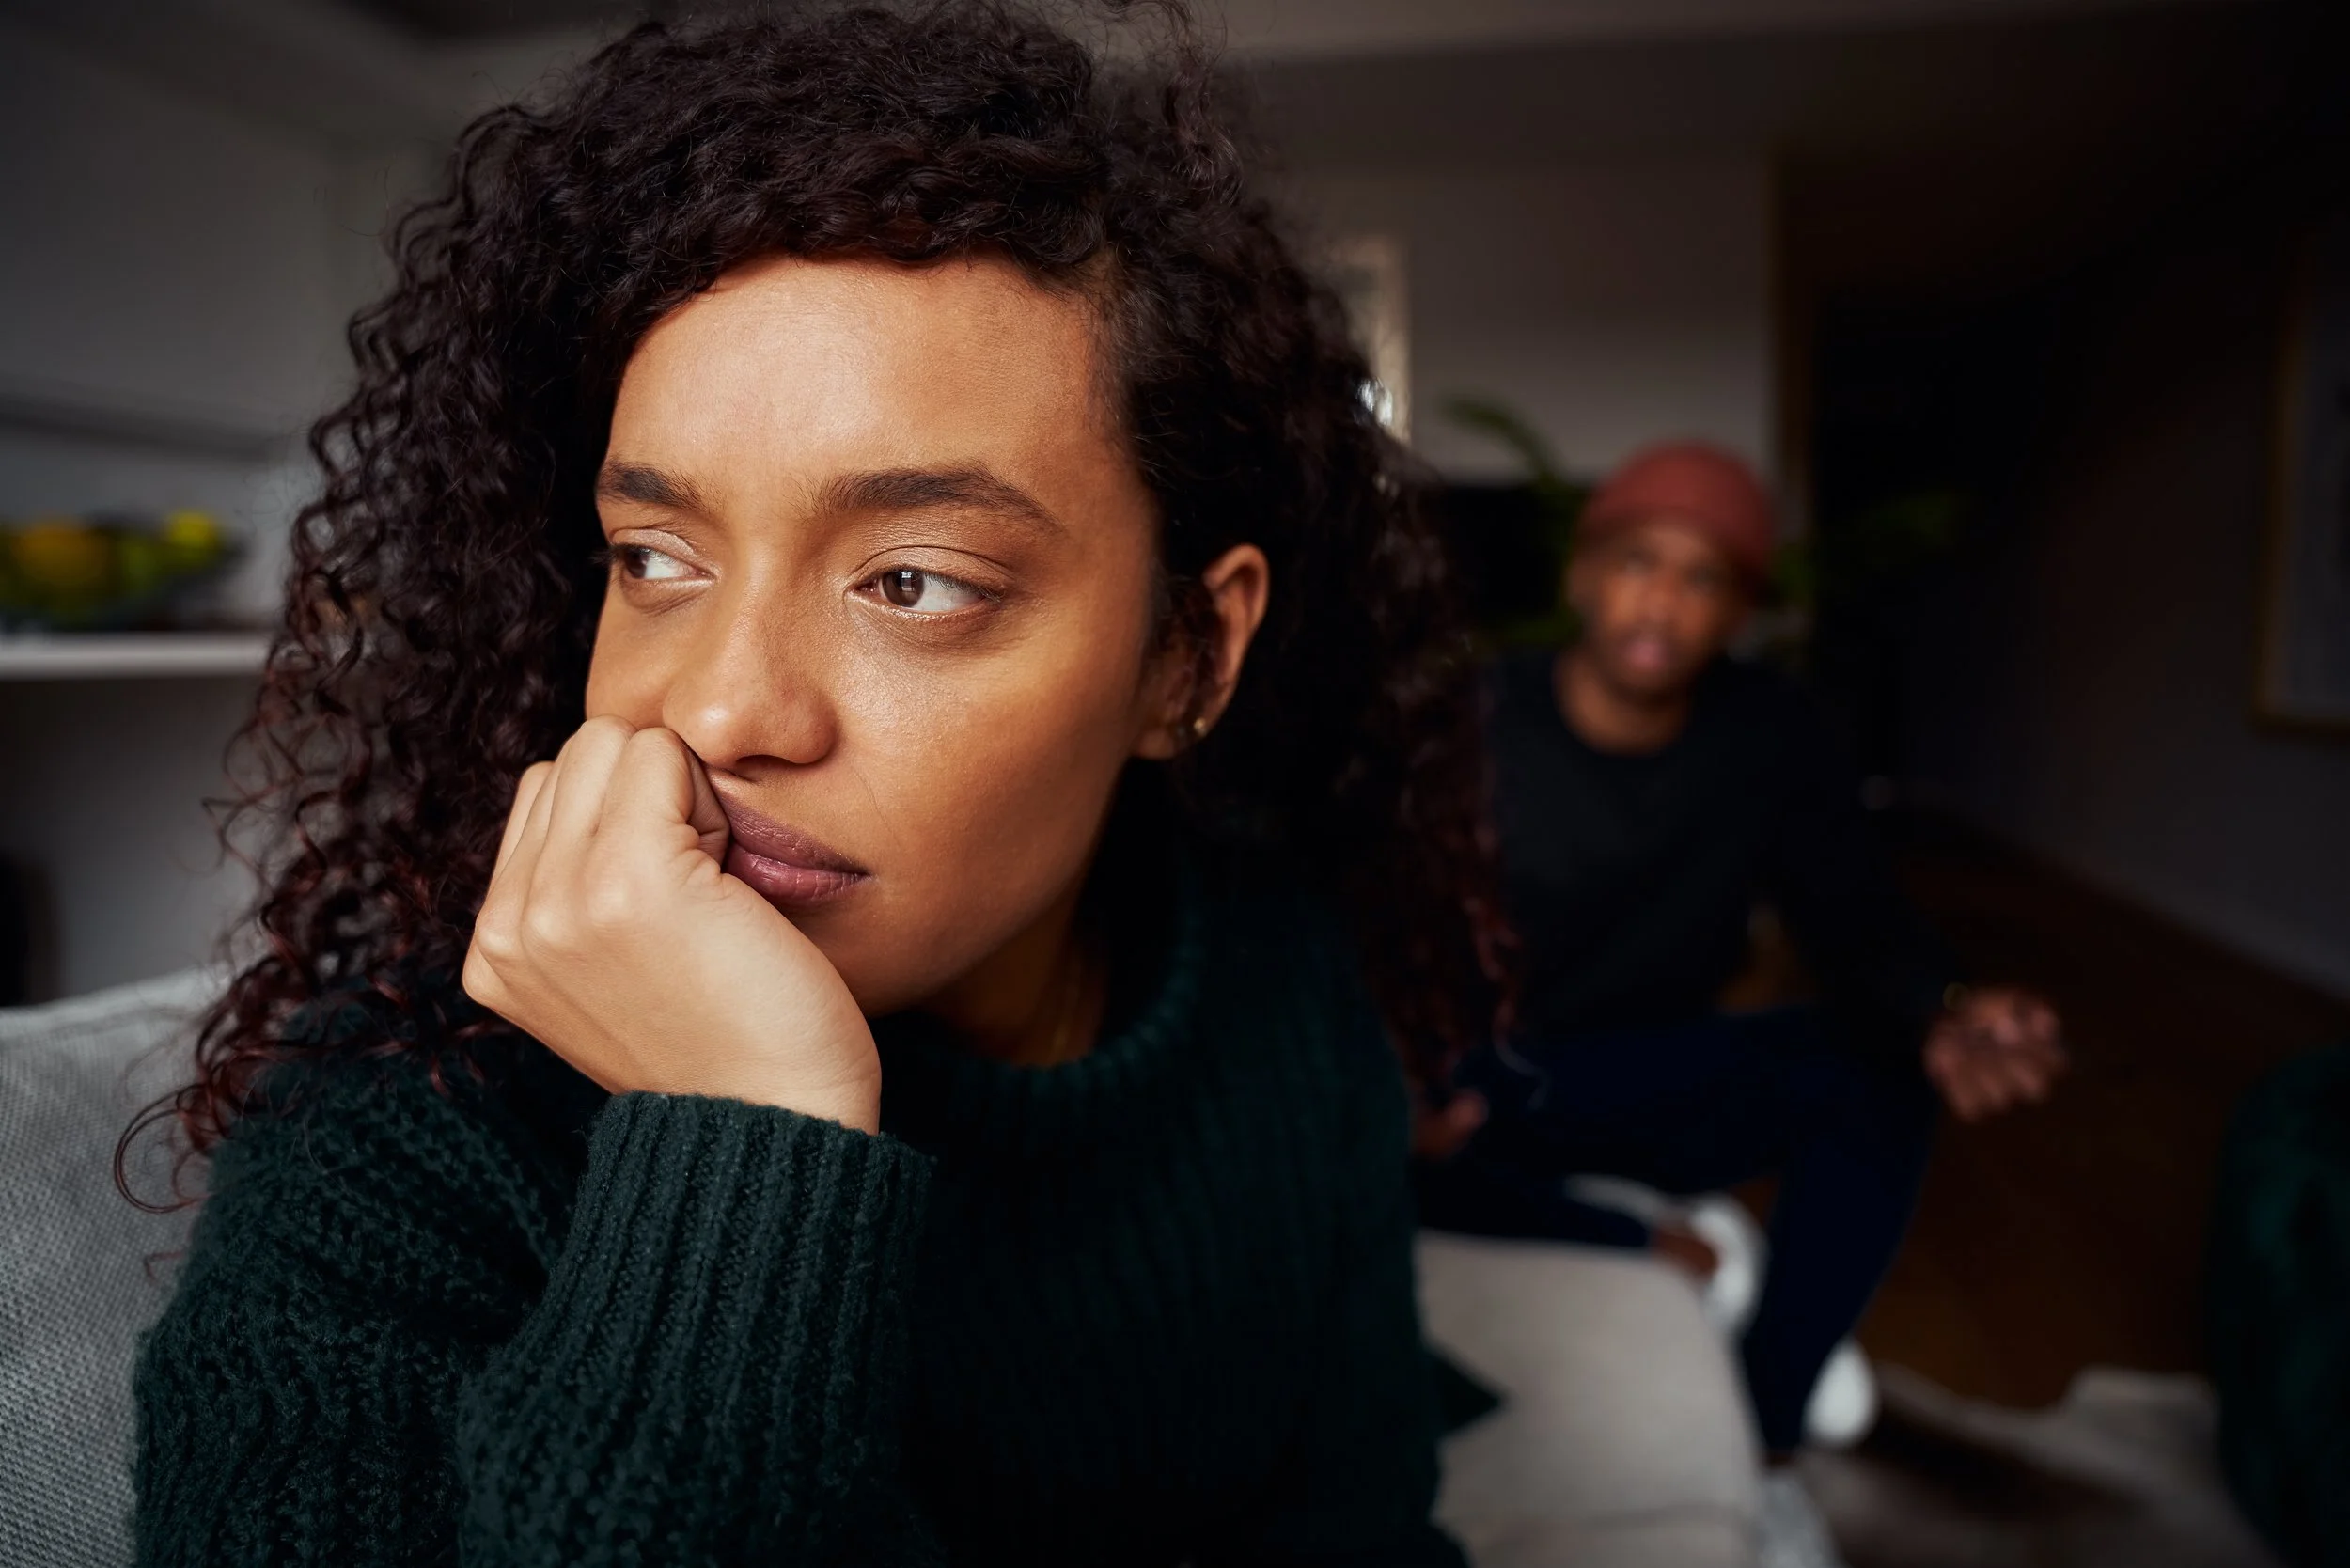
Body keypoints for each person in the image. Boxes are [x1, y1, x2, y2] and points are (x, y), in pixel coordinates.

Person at [125, 8, 1506, 1564]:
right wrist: (746, 1141)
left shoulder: (1283, 1000)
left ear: (1186, 654)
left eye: (913, 580)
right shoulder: (400, 1111)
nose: (719, 705)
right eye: (656, 557)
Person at [1416, 440, 2066, 1461]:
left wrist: (1947, 1008)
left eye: (1701, 578)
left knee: (1877, 1070)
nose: (1661, 603)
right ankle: (1636, 1240)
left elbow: (1856, 921)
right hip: (1488, 1081)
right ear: (1582, 574)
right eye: (1637, 562)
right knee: (1365, 1126)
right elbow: (1378, 925)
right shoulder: (1468, 722)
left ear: (1736, 613)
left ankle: (1763, 1424)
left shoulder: (1770, 734)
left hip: (1649, 1073)